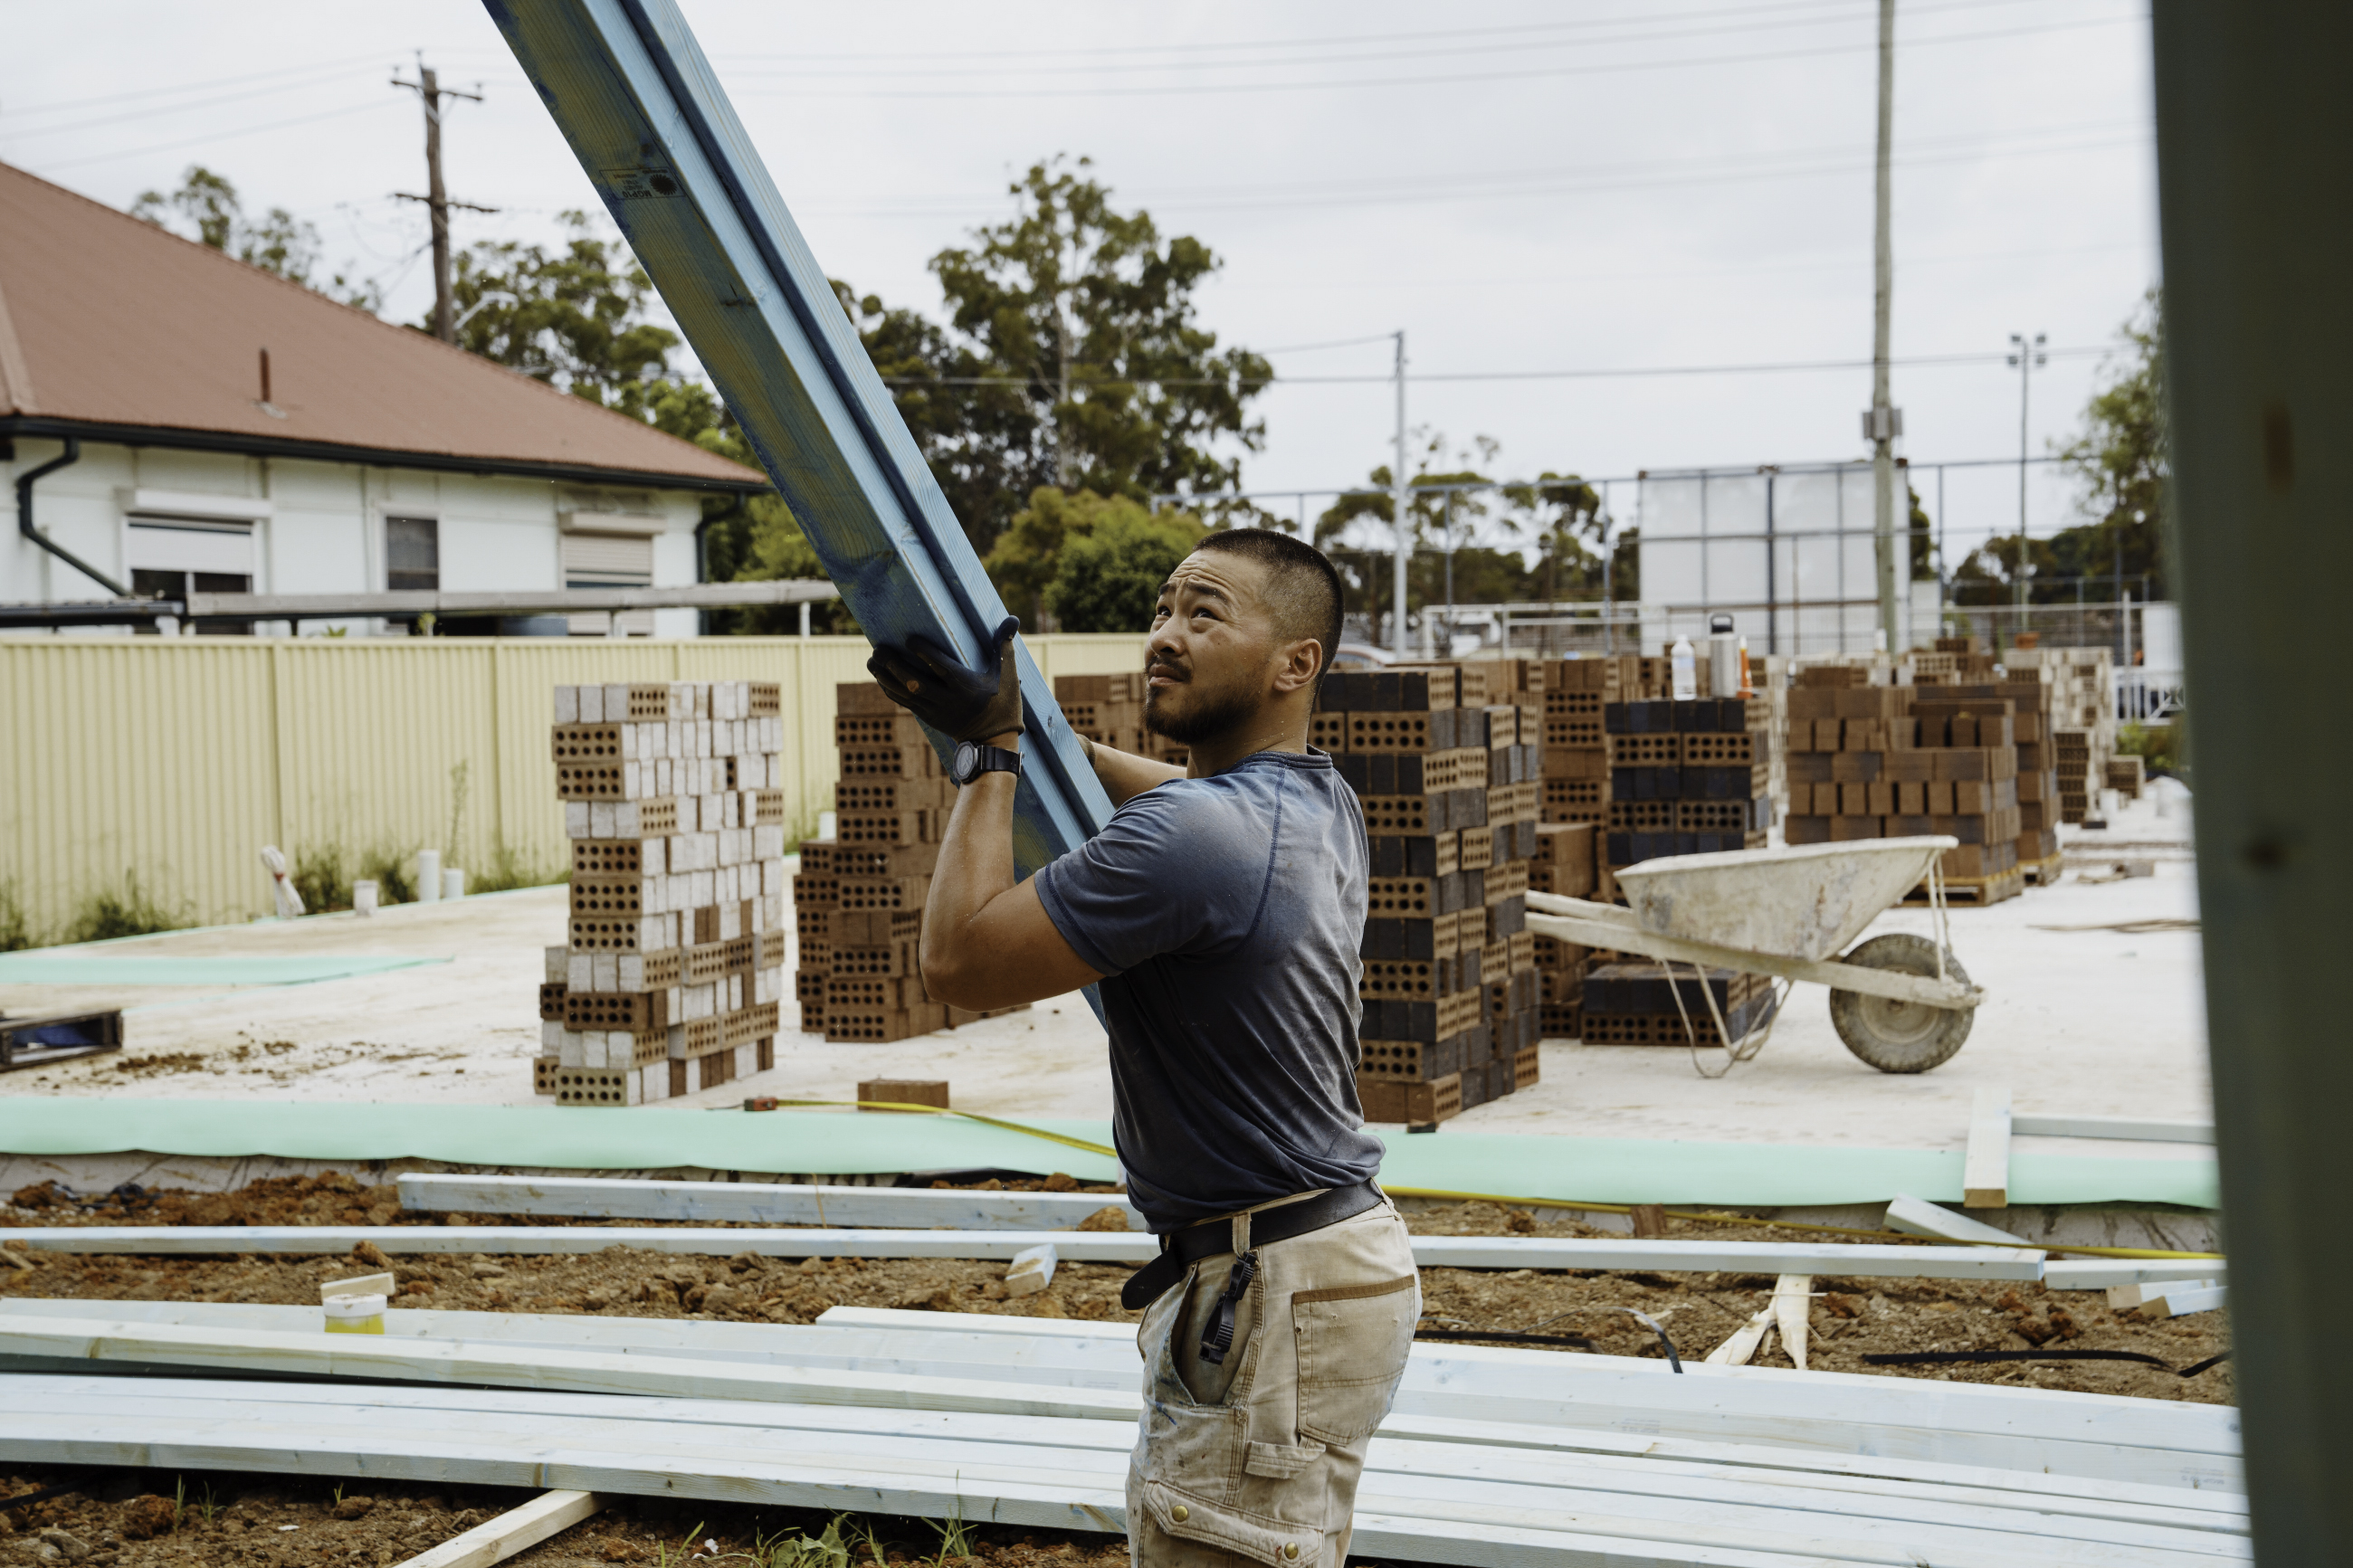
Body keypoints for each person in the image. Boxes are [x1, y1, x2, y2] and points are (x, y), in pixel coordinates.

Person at [868, 528, 1416, 1568]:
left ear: (1295, 662)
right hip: (1320, 1265)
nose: (1163, 634)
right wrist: (1030, 732)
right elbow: (1168, 800)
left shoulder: (1194, 839)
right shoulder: (1314, 800)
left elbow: (958, 960)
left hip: (1270, 1287)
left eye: (1203, 614)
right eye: (1162, 608)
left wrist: (987, 760)